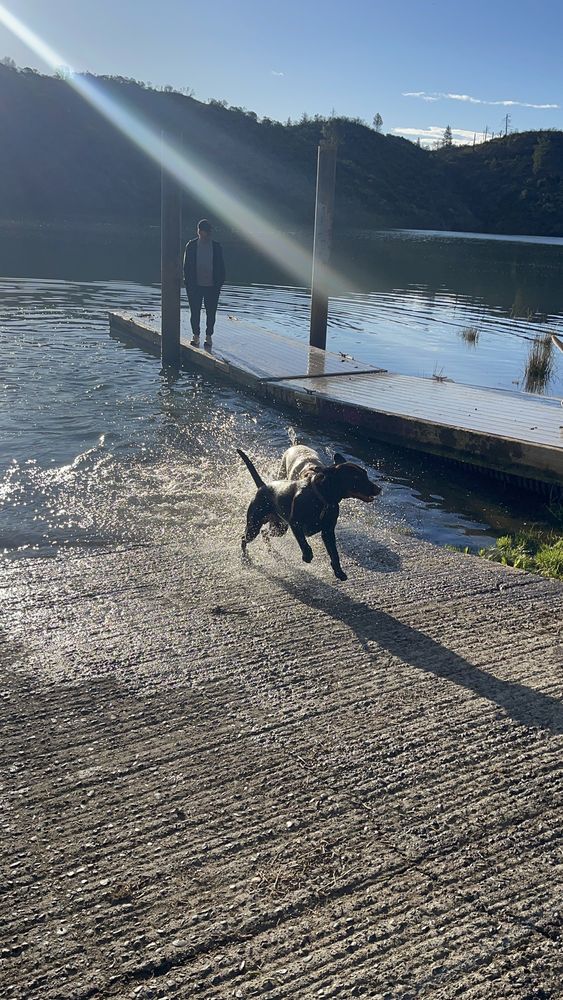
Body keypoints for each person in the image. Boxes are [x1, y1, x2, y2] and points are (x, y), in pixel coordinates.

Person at [182, 219, 226, 348]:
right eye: (206, 231)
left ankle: (208, 336)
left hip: (212, 286)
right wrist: (188, 283)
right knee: (194, 312)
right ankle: (195, 336)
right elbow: (186, 267)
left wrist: (219, 283)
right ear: (199, 231)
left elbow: (221, 267)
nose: (208, 234)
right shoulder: (191, 245)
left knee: (211, 312)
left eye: (209, 231)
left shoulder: (216, 247)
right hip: (195, 286)